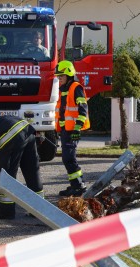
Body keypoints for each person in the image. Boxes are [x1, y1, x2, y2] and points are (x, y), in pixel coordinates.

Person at [54, 60, 89, 197]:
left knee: (69, 158)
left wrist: (77, 129)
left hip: (73, 130)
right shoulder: (64, 90)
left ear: (68, 75)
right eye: (58, 76)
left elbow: (83, 109)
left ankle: (79, 185)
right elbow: (63, 112)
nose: (59, 79)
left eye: (61, 76)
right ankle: (74, 185)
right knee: (66, 158)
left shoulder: (76, 88)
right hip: (66, 131)